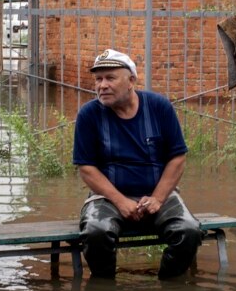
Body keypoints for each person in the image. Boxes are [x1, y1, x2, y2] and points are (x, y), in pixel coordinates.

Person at [72, 49, 201, 279]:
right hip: (107, 198)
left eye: (110, 78)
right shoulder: (89, 115)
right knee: (96, 232)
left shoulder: (159, 107)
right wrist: (120, 200)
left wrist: (158, 198)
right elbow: (86, 168)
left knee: (188, 231)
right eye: (98, 79)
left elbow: (177, 158)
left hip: (158, 194)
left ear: (131, 80)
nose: (102, 85)